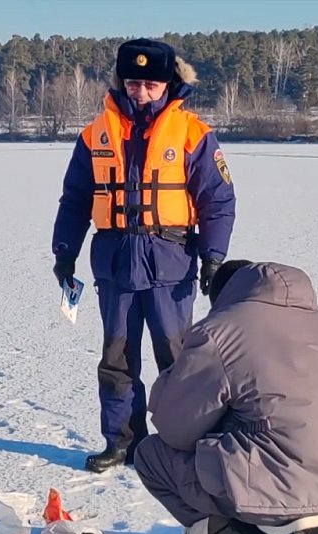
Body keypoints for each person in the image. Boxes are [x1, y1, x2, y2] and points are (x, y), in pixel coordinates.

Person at [51, 38, 236, 473]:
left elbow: (218, 200)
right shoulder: (95, 133)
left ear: (169, 82)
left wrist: (213, 256)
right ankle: (122, 442)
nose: (141, 93)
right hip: (115, 263)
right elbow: (75, 199)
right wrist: (64, 252)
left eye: (151, 84)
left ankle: (183, 443)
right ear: (121, 81)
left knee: (177, 360)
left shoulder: (193, 133)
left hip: (169, 262)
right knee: (116, 359)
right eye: (133, 83)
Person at [133, 261, 318, 534]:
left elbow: (175, 431)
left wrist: (174, 377)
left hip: (289, 498)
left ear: (223, 296)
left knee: (153, 456)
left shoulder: (219, 331)